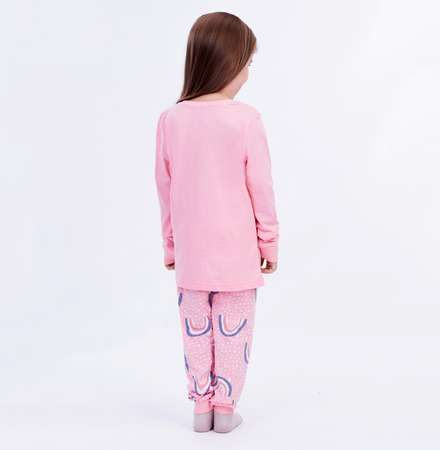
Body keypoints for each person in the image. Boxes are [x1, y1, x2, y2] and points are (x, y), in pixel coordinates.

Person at [154, 11, 279, 433]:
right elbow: (261, 188)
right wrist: (269, 243)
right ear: (229, 62)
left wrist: (171, 245)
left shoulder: (171, 119)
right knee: (233, 333)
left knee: (195, 330)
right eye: (247, 63)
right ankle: (225, 410)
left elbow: (165, 189)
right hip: (237, 253)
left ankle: (201, 408)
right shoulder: (246, 119)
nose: (248, 73)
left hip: (192, 254)